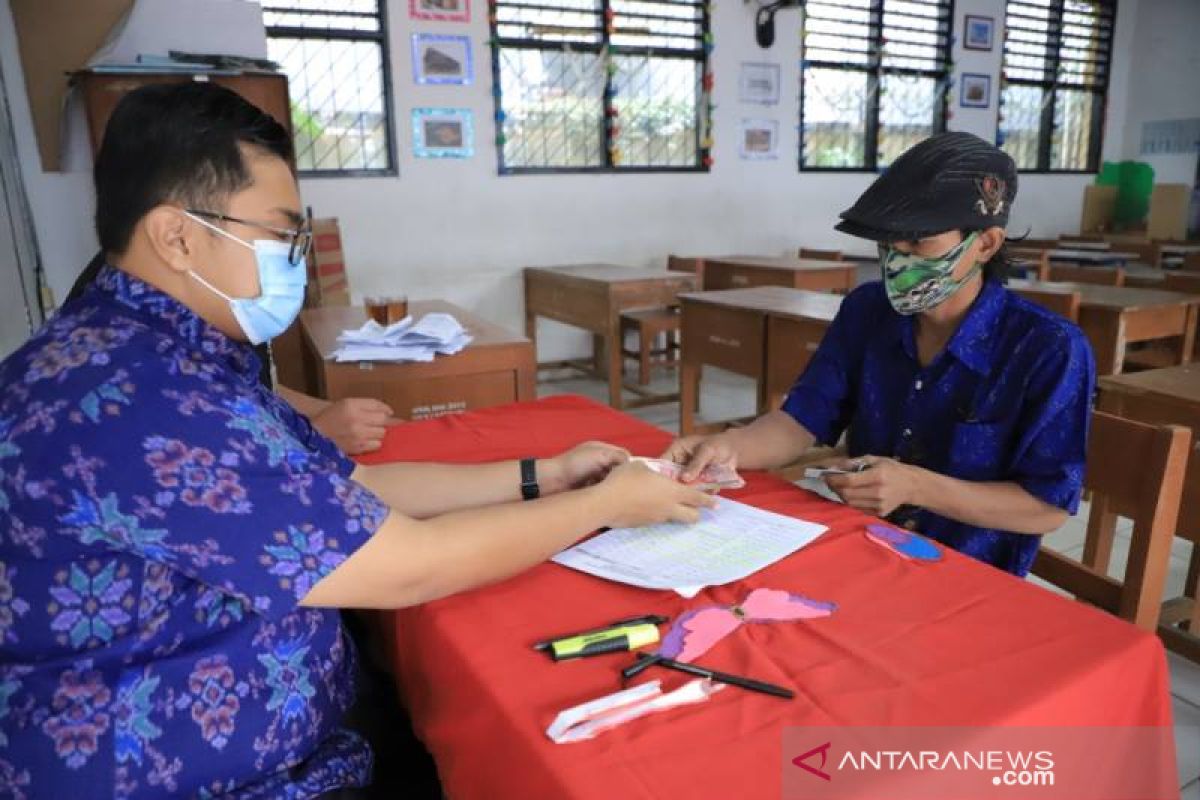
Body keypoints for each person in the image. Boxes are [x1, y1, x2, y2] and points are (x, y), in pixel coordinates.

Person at [0, 82, 714, 798]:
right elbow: (409, 566)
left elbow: (348, 488)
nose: (296, 260)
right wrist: (603, 507)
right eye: (282, 235)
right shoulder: (147, 401)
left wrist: (546, 474)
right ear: (177, 236)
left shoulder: (157, 351)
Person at [665, 132, 1095, 578]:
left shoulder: (1049, 348)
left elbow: (1048, 507)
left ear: (985, 243)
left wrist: (914, 486)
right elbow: (799, 423)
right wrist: (728, 447)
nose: (896, 262)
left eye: (916, 245)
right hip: (861, 549)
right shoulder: (869, 310)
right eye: (887, 246)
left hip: (969, 576)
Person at [65, 253, 396, 456]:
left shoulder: (212, 299)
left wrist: (335, 416)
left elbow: (250, 390)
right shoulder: (134, 336)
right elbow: (202, 457)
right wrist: (312, 435)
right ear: (177, 236)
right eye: (273, 232)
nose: (288, 256)